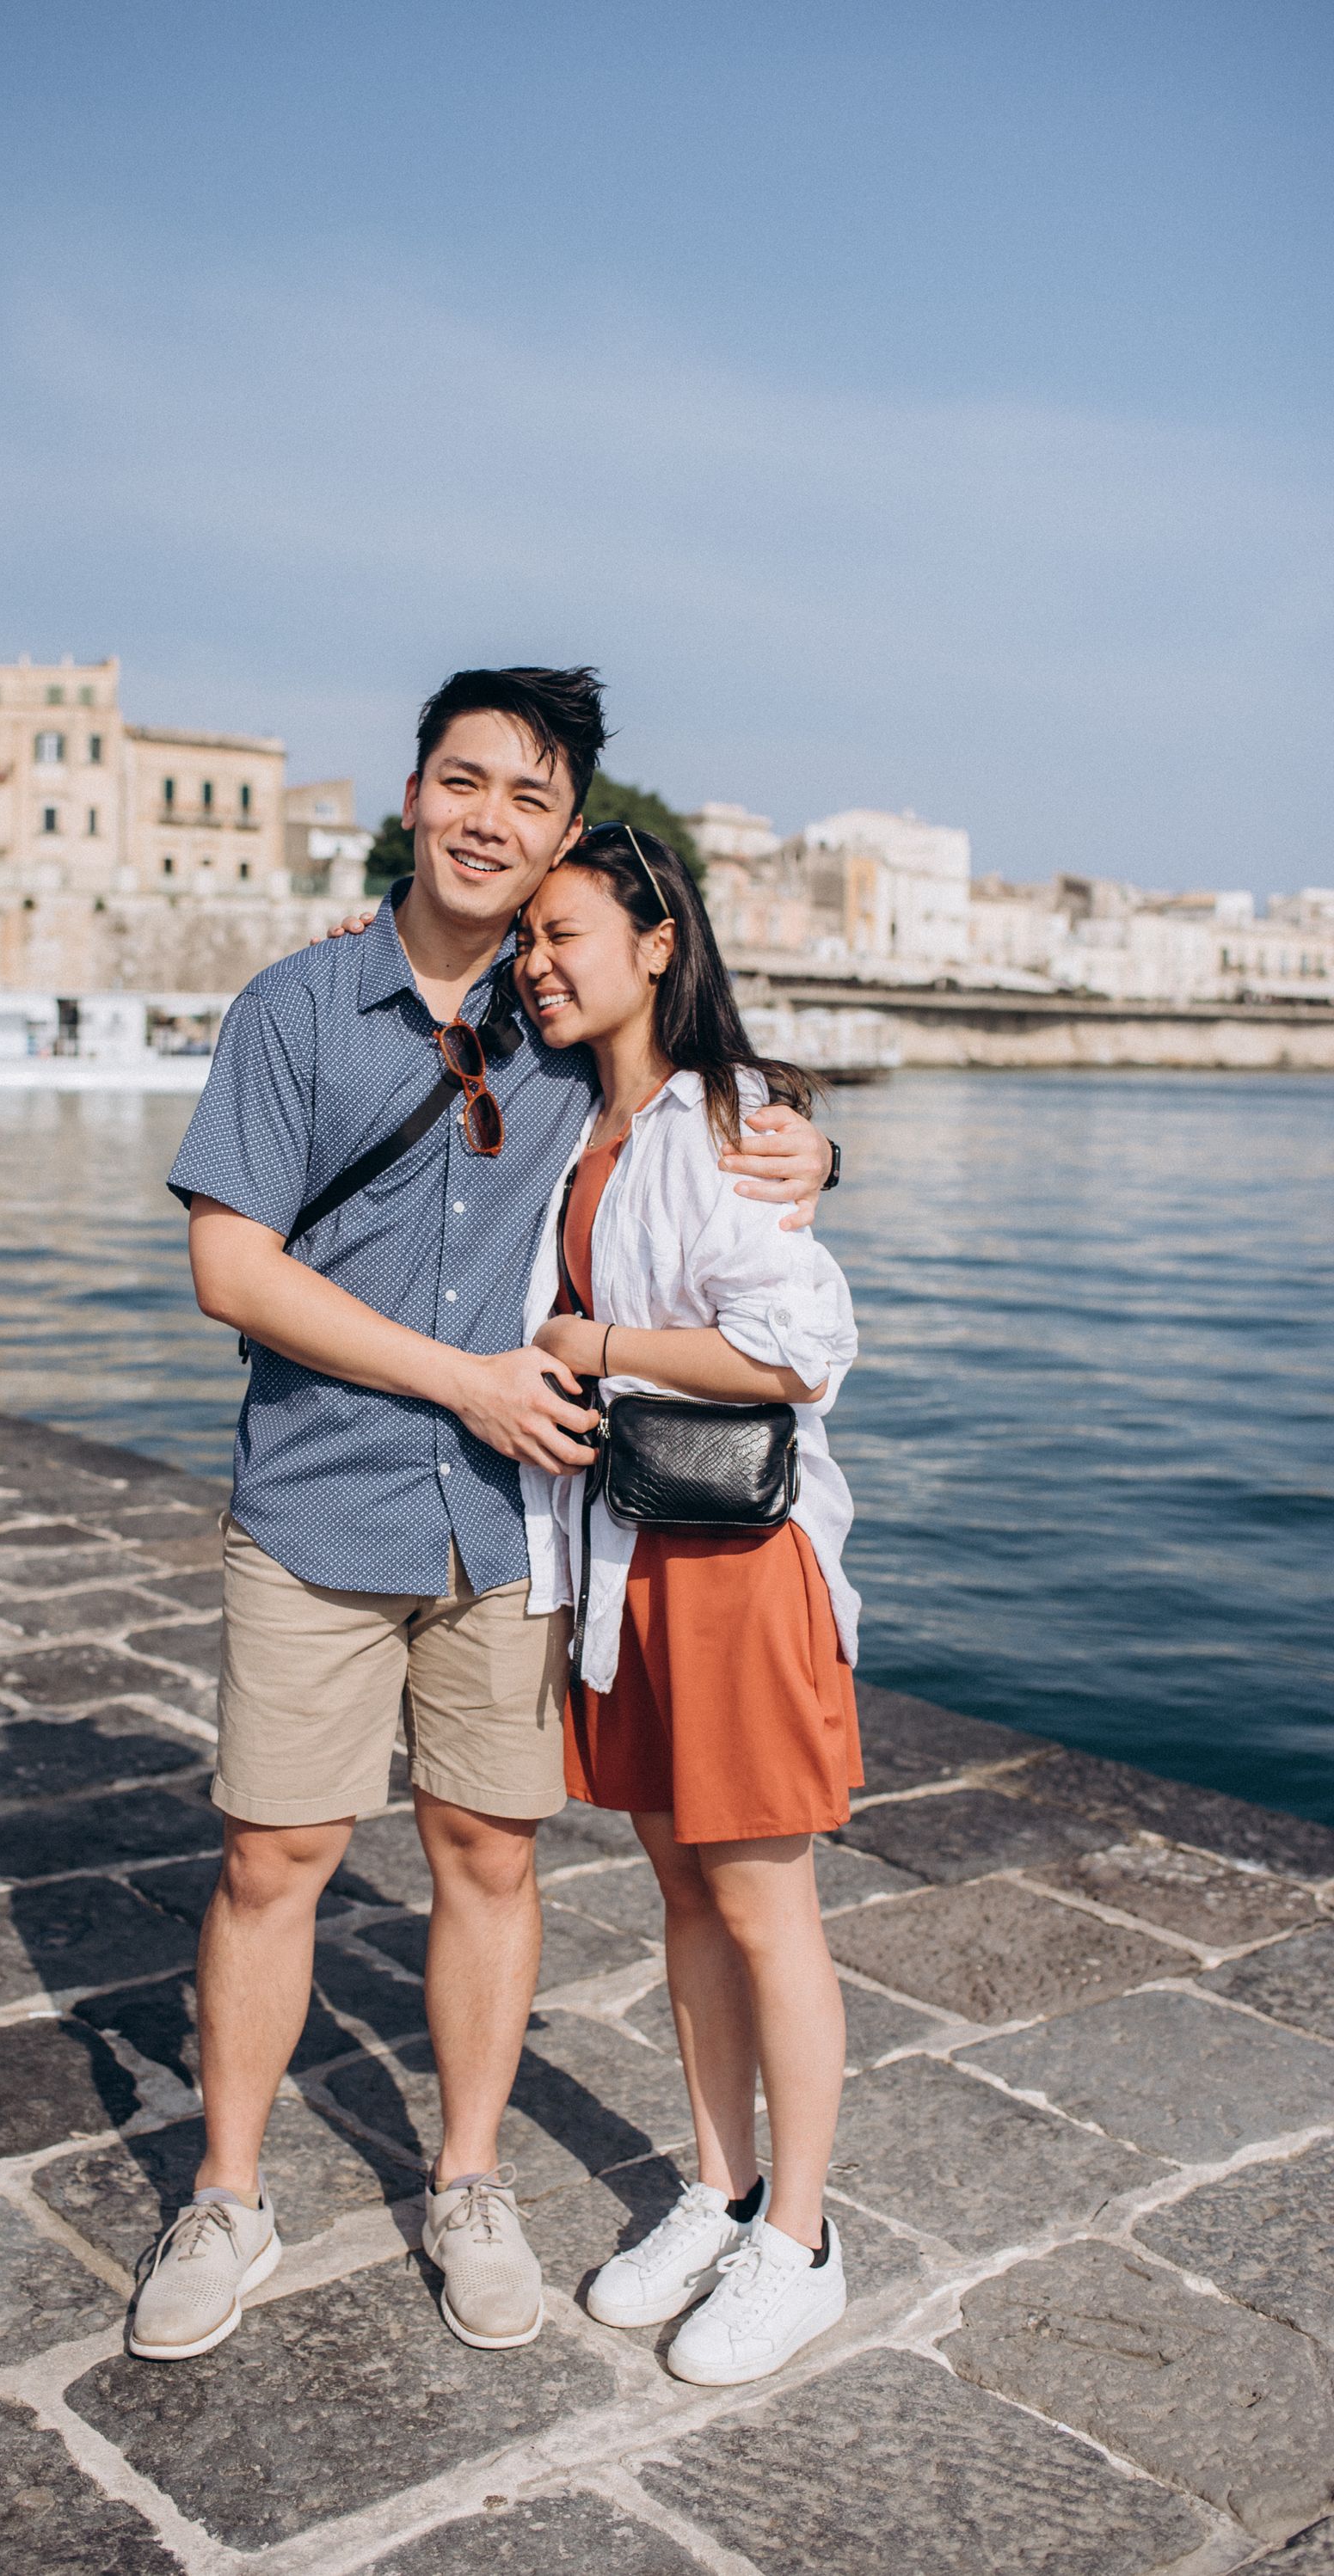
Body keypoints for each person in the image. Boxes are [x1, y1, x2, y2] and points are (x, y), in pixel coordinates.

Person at [138, 666, 836, 2363]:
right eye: (466, 783)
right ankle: (228, 2190)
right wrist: (456, 1379)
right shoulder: (296, 1011)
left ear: (560, 837)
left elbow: (693, 1115)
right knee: (273, 1856)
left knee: (487, 1858)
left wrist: (802, 1147)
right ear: (408, 794)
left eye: (529, 800)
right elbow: (230, 1266)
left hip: (515, 1530)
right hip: (320, 1498)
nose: (489, 821)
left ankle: (466, 2178)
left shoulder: (563, 1015)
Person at [515, 822, 860, 2387]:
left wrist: (597, 1348)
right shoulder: (572, 1121)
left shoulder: (733, 1121)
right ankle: (718, 2192)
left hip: (732, 1568)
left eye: (564, 933)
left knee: (766, 1907)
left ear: (658, 941)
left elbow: (799, 1355)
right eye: (527, 940)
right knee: (682, 1898)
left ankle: (803, 2239)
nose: (537, 964)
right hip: (626, 1569)